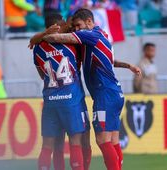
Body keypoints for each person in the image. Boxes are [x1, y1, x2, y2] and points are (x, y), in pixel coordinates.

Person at [29, 8, 141, 170]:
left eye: (77, 25)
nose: (74, 28)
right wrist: (128, 65)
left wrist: (37, 37)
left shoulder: (40, 48)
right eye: (71, 26)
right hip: (84, 98)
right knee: (93, 141)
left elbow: (43, 71)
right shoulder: (85, 41)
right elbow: (108, 59)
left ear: (89, 22)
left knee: (53, 146)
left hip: (66, 99)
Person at [33, 13, 87, 170]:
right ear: (57, 26)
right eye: (64, 24)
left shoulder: (37, 48)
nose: (67, 26)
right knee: (75, 143)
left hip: (50, 102)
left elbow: (42, 75)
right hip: (71, 100)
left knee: (48, 146)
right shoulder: (70, 44)